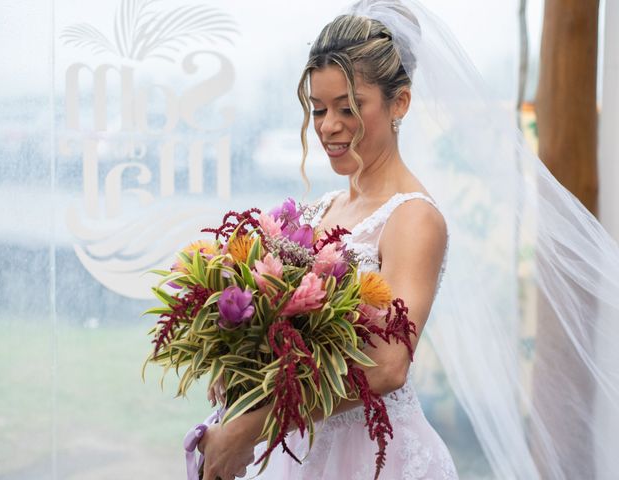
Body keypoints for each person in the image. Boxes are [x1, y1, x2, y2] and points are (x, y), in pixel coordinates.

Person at [196, 1, 619, 479]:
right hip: (307, 450)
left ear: (400, 102)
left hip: (379, 458)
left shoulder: (414, 217)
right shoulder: (319, 212)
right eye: (318, 109)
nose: (328, 126)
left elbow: (388, 366)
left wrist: (255, 425)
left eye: (349, 107)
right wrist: (243, 368)